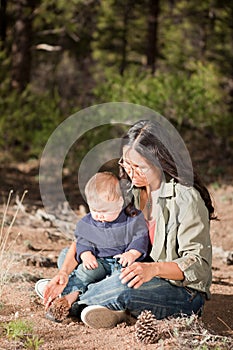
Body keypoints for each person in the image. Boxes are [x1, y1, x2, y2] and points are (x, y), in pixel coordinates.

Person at [38, 119, 215, 329]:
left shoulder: (186, 199)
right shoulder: (130, 193)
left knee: (122, 286)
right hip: (134, 270)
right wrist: (63, 273)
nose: (130, 172)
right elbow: (91, 235)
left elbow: (198, 264)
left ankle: (72, 298)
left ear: (160, 161)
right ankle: (106, 305)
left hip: (179, 291)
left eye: (138, 166)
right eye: (125, 163)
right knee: (69, 255)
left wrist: (153, 269)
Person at [35, 171, 149, 321]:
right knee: (79, 267)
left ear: (119, 202)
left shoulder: (131, 218)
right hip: (98, 261)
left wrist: (132, 253)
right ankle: (68, 297)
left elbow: (140, 236)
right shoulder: (87, 222)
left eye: (105, 211)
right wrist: (86, 254)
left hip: (121, 262)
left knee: (121, 279)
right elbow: (82, 241)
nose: (100, 216)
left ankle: (84, 300)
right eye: (95, 210)